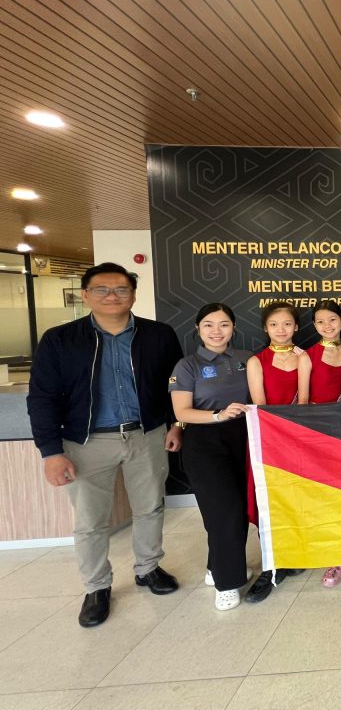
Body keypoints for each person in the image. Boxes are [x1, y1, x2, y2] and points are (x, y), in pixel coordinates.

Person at [27, 262, 183, 627]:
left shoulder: (158, 335)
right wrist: (51, 452)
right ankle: (97, 587)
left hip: (147, 434)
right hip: (85, 441)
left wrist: (176, 425)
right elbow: (42, 397)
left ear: (133, 293)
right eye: (102, 290)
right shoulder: (60, 339)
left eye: (121, 290)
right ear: (85, 295)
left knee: (150, 508)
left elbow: (176, 386)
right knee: (90, 521)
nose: (112, 296)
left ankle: (148, 568)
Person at [169, 303, 252, 610]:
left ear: (233, 328)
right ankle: (227, 583)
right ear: (198, 329)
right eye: (209, 325)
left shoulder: (246, 359)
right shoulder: (187, 366)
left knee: (240, 508)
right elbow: (181, 412)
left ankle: (214, 566)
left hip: (243, 438)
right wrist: (219, 415)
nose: (217, 331)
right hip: (204, 441)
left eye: (224, 324)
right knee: (224, 511)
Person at [245, 301, 310, 601]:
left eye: (286, 324)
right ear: (266, 328)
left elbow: (304, 404)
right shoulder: (256, 361)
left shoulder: (304, 358)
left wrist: (292, 435)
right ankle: (271, 567)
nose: (281, 330)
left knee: (294, 498)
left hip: (295, 439)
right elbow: (260, 406)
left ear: (296, 327)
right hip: (266, 440)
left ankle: (292, 555)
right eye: (274, 325)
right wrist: (276, 436)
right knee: (268, 502)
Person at [307, 300, 341, 588]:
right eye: (321, 322)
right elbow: (302, 402)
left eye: (332, 320)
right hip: (319, 436)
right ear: (314, 326)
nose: (327, 326)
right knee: (325, 496)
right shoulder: (307, 356)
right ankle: (333, 556)